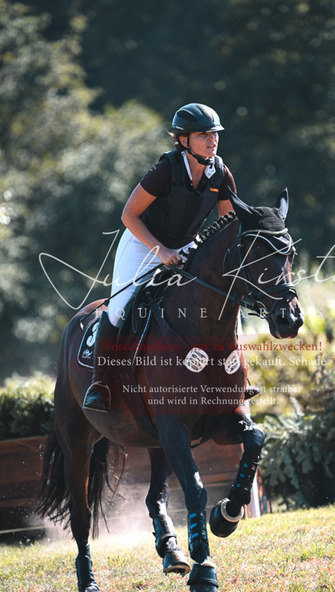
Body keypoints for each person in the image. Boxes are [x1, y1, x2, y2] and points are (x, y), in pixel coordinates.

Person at [83, 103, 237, 412]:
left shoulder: (220, 173)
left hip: (187, 247)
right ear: (183, 140)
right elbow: (129, 215)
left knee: (225, 300)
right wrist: (161, 251)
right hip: (143, 243)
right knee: (120, 308)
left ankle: (234, 377)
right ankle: (100, 384)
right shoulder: (165, 170)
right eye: (203, 135)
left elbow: (228, 225)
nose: (212, 140)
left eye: (214, 134)